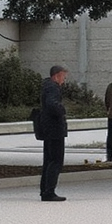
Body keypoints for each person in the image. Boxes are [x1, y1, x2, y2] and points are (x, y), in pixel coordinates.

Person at [39, 65, 69, 202]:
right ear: (56, 76)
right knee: (56, 160)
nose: (64, 79)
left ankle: (44, 190)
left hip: (48, 128)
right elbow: (52, 104)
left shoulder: (47, 86)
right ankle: (49, 191)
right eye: (63, 76)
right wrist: (62, 110)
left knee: (48, 160)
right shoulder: (53, 88)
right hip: (54, 129)